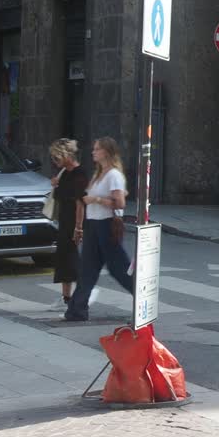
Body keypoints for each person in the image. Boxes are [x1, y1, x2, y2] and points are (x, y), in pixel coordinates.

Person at [65, 137, 134, 321]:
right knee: (88, 268)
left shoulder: (114, 175)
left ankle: (144, 299)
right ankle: (76, 310)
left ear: (106, 152)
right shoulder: (98, 174)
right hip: (93, 223)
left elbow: (120, 202)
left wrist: (95, 200)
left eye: (96, 149)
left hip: (107, 224)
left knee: (118, 268)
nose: (93, 152)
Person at [48, 139, 87, 305]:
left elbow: (80, 203)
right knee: (64, 258)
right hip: (64, 220)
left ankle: (80, 295)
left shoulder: (80, 174)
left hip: (74, 221)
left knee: (72, 260)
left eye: (57, 158)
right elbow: (59, 197)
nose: (55, 162)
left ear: (66, 156)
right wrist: (55, 184)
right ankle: (66, 297)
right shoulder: (64, 172)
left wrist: (78, 228)